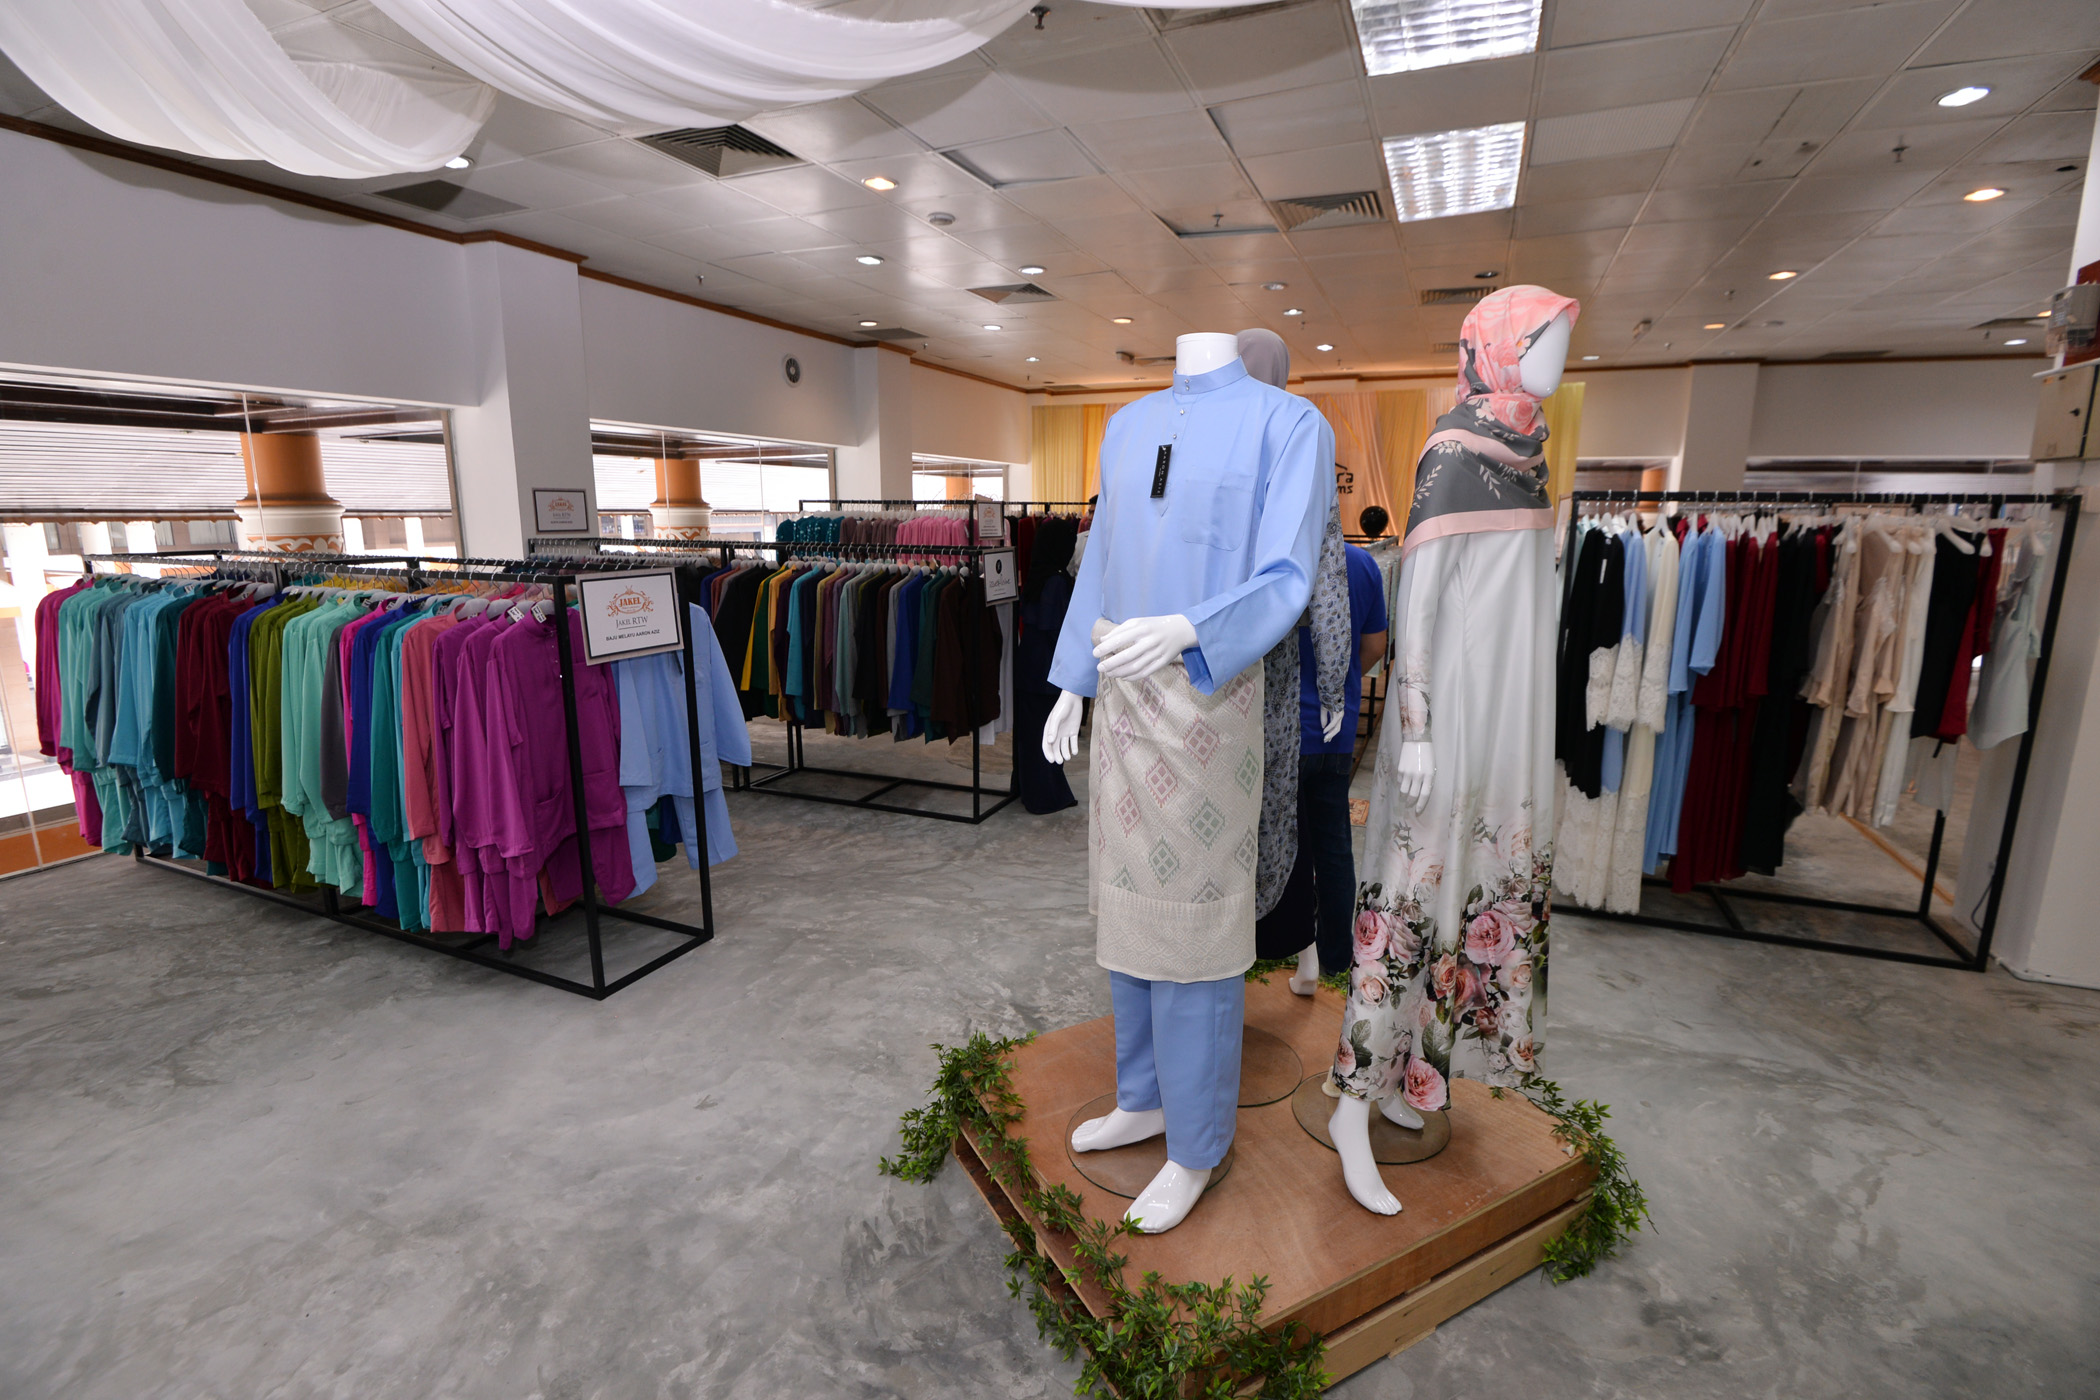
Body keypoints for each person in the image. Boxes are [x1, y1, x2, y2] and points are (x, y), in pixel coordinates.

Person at [1298, 526, 1388, 977]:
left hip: (1278, 729)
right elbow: (1375, 646)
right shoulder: (1363, 564)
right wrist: (1340, 680)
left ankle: (1283, 948)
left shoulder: (1278, 559)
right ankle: (1333, 958)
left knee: (1276, 844)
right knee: (1333, 844)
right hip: (1335, 727)